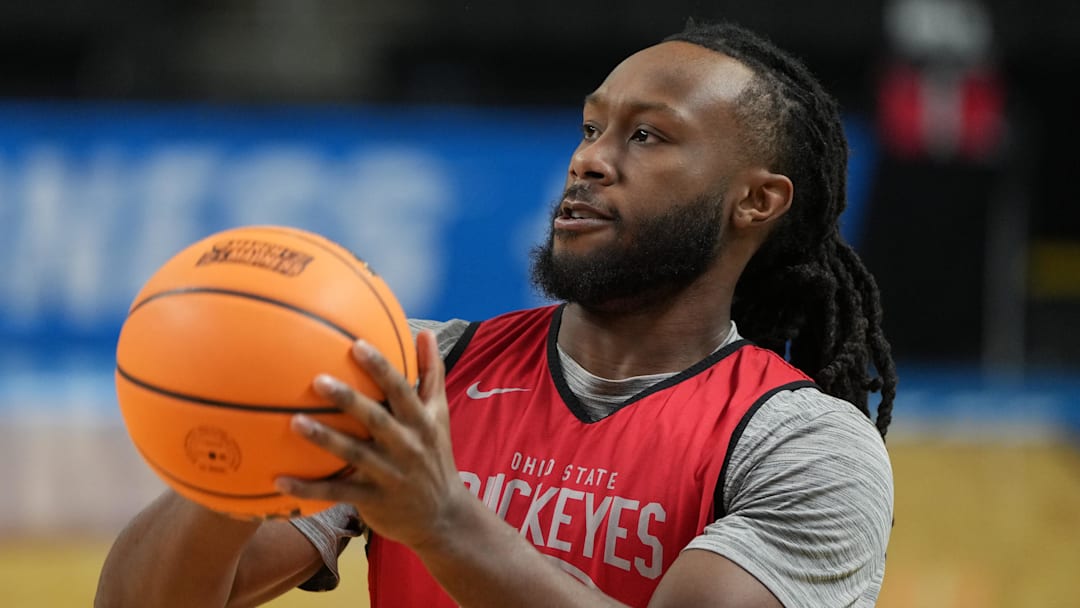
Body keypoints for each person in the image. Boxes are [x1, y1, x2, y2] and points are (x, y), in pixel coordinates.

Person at [95, 19, 896, 608]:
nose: (589, 158)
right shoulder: (421, 370)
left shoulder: (805, 445)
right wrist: (252, 433)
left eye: (647, 136)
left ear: (755, 201)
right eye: (591, 127)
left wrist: (444, 522)